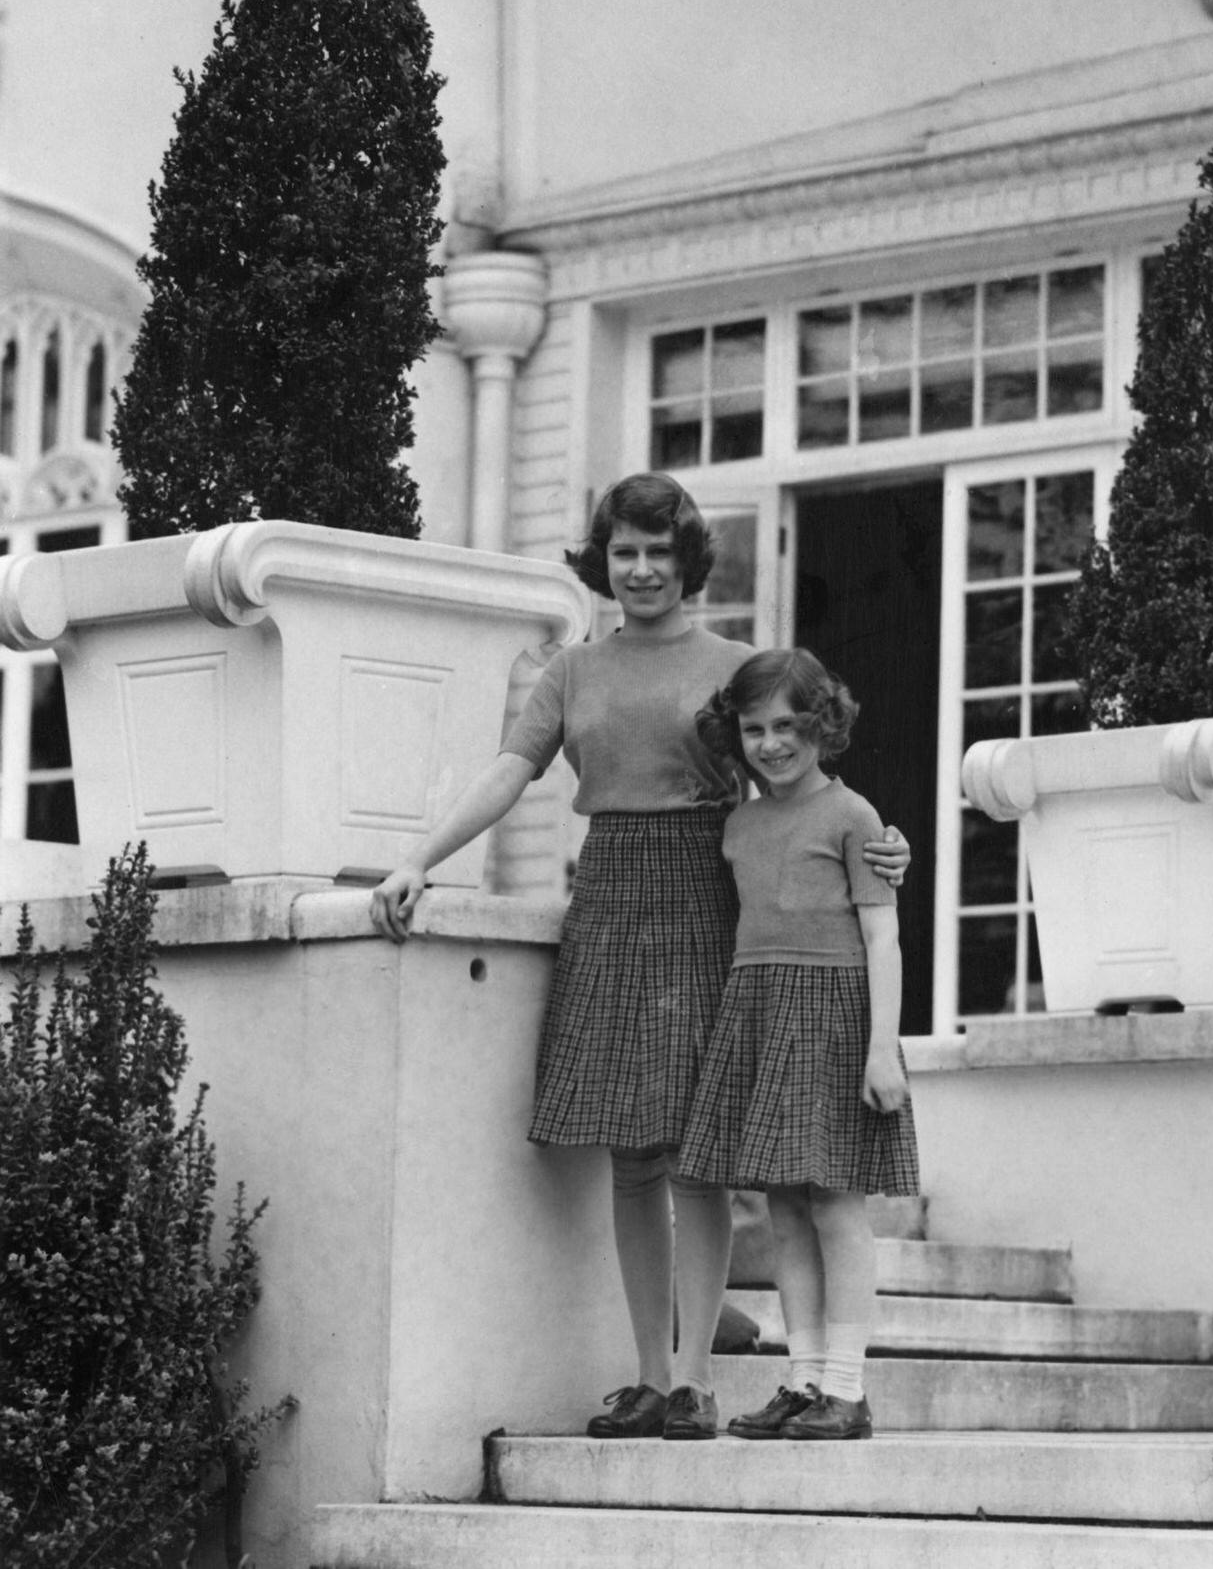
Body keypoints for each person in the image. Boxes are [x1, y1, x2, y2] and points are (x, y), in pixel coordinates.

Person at [368, 474, 909, 1442]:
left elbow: (802, 787)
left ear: (686, 559)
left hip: (710, 892)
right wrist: (417, 857)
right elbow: (508, 771)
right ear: (601, 561)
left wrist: (885, 851)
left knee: (695, 1153)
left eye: (660, 551)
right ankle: (651, 1376)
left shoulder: (738, 664)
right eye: (625, 551)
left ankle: (698, 1383)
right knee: (631, 1150)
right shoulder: (571, 673)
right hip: (611, 896)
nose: (643, 569)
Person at [678, 647, 920, 1441]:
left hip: (835, 1017)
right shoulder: (740, 823)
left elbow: (883, 936)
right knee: (783, 1208)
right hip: (759, 1010)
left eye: (789, 724)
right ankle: (804, 1378)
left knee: (835, 1204)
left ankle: (847, 1390)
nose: (772, 742)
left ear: (824, 724)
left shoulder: (855, 817)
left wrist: (882, 1048)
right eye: (754, 728)